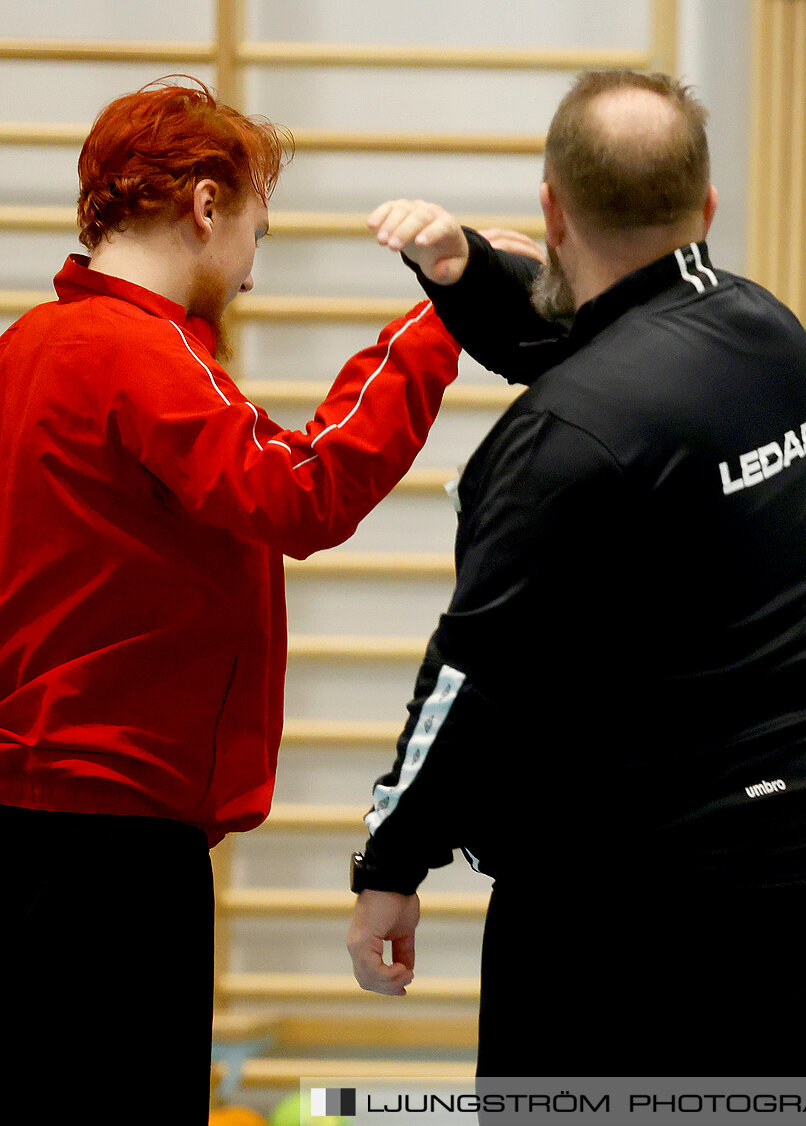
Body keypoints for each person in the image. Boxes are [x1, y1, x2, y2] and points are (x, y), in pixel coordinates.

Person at [345, 70, 806, 1081]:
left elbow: (470, 674)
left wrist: (390, 864)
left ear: (552, 207)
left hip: (620, 905)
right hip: (790, 868)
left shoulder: (563, 440)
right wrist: (468, 275)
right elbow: (611, 352)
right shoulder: (771, 335)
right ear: (705, 207)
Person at [0, 78, 462, 1114]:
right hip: (110, 846)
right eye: (257, 228)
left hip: (29, 818)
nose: (254, 269)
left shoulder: (23, 350)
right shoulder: (143, 352)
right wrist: (439, 324)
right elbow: (302, 493)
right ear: (206, 206)